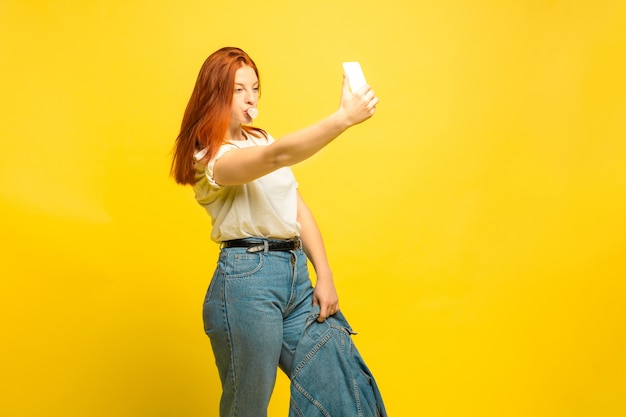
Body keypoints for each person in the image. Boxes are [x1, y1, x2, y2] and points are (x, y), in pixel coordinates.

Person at [170, 47, 382, 417]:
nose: (250, 97)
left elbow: (296, 207)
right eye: (238, 89)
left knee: (340, 378)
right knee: (248, 409)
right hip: (246, 284)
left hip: (296, 276)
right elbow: (277, 157)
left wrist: (325, 274)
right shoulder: (209, 158)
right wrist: (343, 118)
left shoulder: (261, 137)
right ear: (214, 93)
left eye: (254, 88)